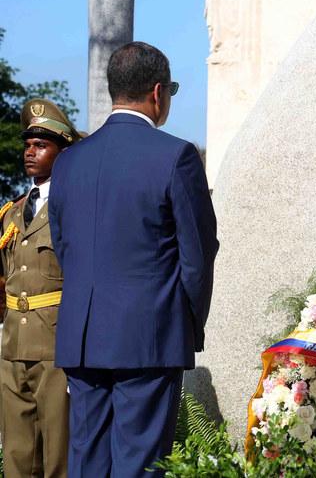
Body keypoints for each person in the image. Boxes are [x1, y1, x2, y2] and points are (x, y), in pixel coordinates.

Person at [48, 41, 219, 477]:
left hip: (84, 340)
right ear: (158, 93)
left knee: (87, 463)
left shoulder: (68, 162)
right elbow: (197, 255)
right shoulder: (175, 156)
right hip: (149, 338)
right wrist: (186, 323)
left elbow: (64, 247)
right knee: (139, 465)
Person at [0, 98, 80, 477]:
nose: (30, 152)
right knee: (16, 453)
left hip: (54, 345)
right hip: (13, 346)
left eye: (42, 145)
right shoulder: (11, 213)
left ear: (62, 152)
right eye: (28, 145)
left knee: (57, 456)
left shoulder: (71, 208)